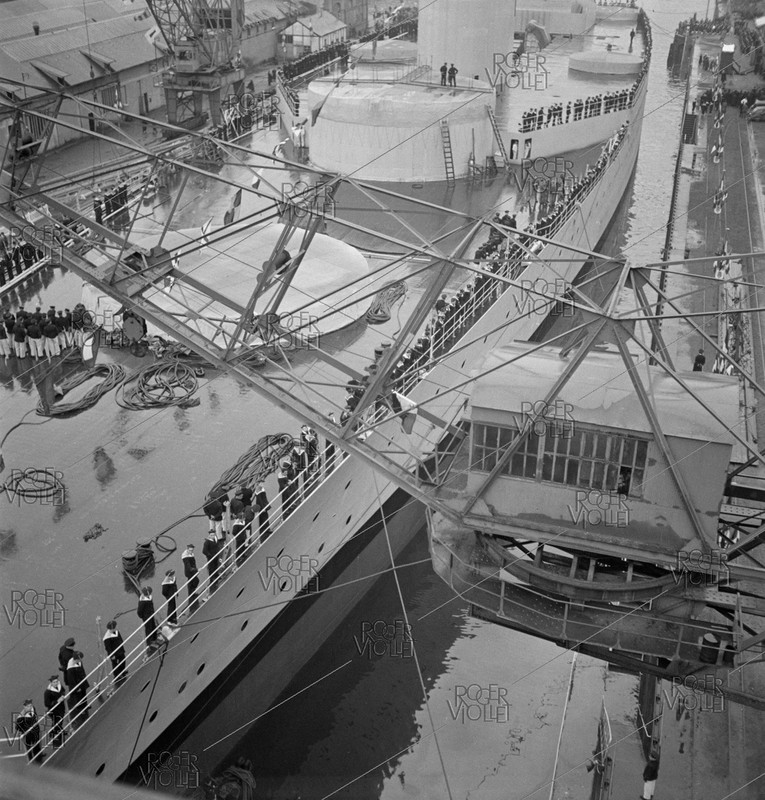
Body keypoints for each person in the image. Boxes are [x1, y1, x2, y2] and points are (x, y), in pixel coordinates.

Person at [65, 652, 89, 729]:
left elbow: (82, 671)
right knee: (78, 697)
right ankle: (81, 709)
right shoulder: (70, 668)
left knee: (84, 695)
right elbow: (71, 680)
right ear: (76, 660)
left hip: (82, 683)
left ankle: (85, 706)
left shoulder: (78, 662)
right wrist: (76, 687)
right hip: (77, 685)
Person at [103, 620, 128, 687]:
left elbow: (120, 639)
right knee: (115, 664)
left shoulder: (116, 631)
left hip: (120, 650)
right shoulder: (107, 638)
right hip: (114, 653)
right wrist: (112, 655)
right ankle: (117, 675)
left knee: (122, 660)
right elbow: (108, 648)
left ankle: (122, 671)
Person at [44, 676, 66, 747]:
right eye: (54, 682)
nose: (56, 683)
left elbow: (63, 691)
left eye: (56, 681)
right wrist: (57, 701)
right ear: (51, 683)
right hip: (53, 710)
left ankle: (58, 730)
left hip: (61, 707)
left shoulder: (59, 686)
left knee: (60, 719)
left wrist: (63, 696)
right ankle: (55, 733)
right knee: (57, 721)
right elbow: (47, 704)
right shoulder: (48, 692)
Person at [182, 543, 200, 613]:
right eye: (190, 550)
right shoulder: (186, 558)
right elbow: (188, 567)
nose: (191, 551)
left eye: (192, 550)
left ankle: (192, 592)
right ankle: (191, 593)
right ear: (187, 549)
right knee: (194, 581)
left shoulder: (190, 554)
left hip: (193, 571)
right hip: (190, 572)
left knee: (193, 581)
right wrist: (196, 570)